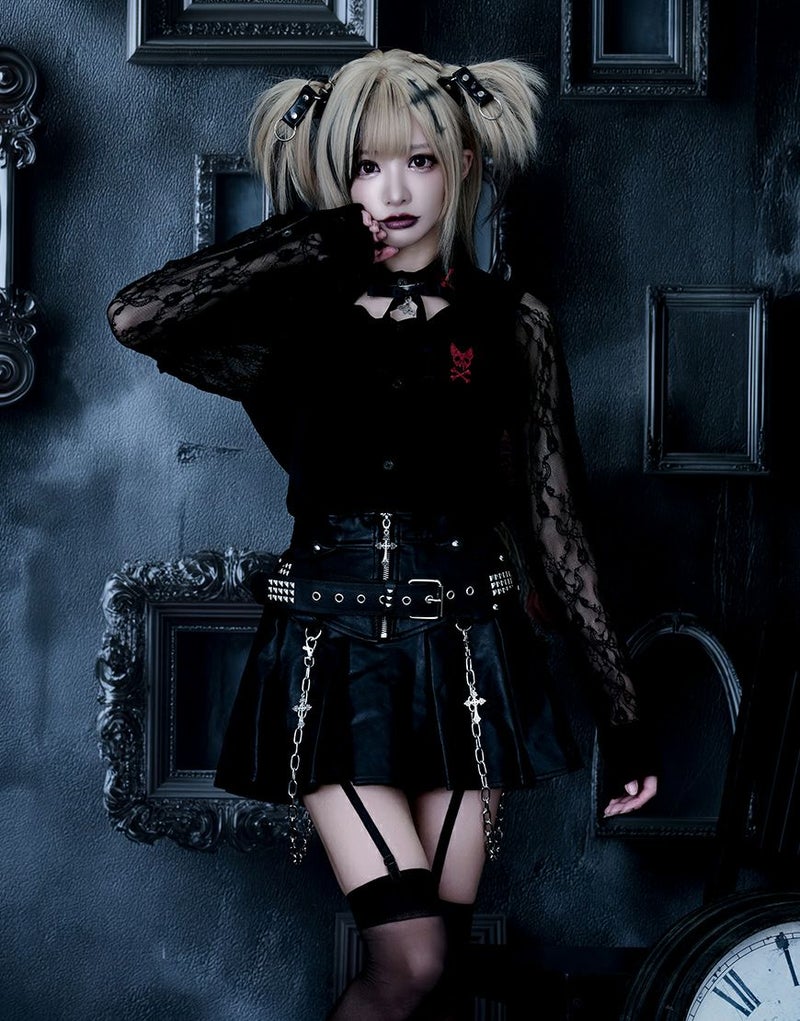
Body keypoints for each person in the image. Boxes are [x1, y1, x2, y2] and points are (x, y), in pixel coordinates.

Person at [107, 48, 658, 1021]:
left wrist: (622, 714)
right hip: (332, 651)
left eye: (419, 161)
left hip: (470, 654)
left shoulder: (510, 321)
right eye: (365, 166)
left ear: (461, 165)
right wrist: (315, 235)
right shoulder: (295, 321)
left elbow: (555, 518)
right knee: (410, 961)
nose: (392, 191)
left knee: (435, 977)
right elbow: (137, 314)